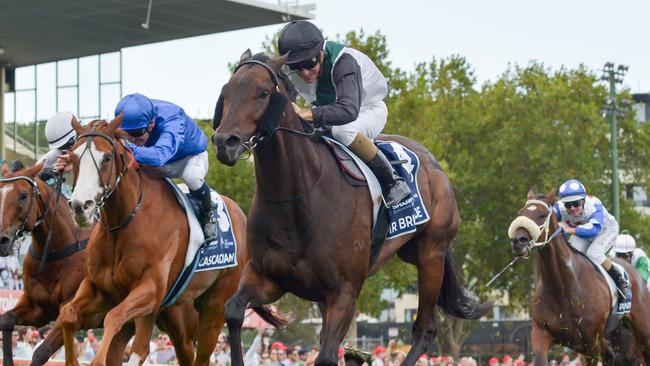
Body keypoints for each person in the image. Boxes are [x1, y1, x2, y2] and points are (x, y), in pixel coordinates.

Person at [277, 20, 410, 206]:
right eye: (296, 67)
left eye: (309, 63)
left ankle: (393, 181)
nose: (305, 72)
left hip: (367, 110)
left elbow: (348, 110)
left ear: (321, 53)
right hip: (332, 116)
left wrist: (309, 114)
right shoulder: (291, 72)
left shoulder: (344, 62)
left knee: (342, 131)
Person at [115, 93, 217, 239]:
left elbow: (158, 157)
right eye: (126, 133)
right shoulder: (132, 119)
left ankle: (208, 213)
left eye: (137, 133)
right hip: (158, 162)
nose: (132, 139)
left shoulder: (172, 118)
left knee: (192, 178)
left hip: (188, 158)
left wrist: (125, 147)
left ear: (151, 124)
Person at [553, 179, 631, 298]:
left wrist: (569, 230)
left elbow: (594, 230)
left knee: (593, 253)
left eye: (576, 203)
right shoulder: (559, 207)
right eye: (568, 205)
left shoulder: (593, 204)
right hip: (582, 232)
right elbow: (545, 217)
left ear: (584, 200)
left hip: (605, 230)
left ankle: (620, 281)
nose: (572, 208)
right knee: (572, 253)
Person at [40, 111, 78, 180]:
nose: (67, 150)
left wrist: (76, 163)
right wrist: (52, 171)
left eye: (69, 145)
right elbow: (35, 171)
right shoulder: (60, 152)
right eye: (61, 147)